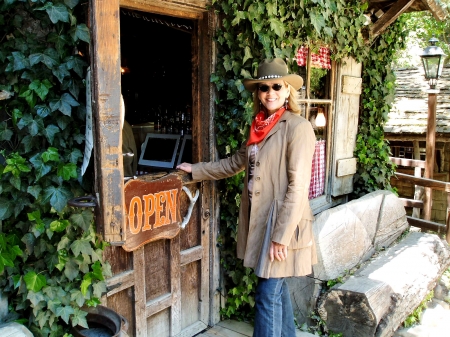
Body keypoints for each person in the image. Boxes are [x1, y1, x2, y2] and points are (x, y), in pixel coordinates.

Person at [177, 58, 317, 337]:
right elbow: (233, 163)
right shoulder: (259, 127)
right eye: (264, 88)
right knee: (275, 289)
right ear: (259, 93)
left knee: (267, 294)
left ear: (288, 90)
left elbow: (298, 187)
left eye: (277, 86)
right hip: (262, 220)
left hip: (281, 225)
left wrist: (281, 236)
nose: (270, 92)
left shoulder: (298, 127)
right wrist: (195, 170)